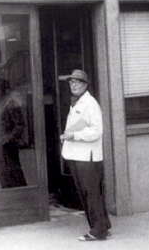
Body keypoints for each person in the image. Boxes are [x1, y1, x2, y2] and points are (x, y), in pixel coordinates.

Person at [59, 69, 112, 241]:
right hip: (77, 155)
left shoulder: (91, 104)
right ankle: (103, 226)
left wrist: (74, 135)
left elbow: (96, 132)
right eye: (71, 82)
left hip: (87, 157)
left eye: (77, 82)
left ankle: (97, 231)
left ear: (85, 85)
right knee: (90, 192)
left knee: (90, 193)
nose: (73, 85)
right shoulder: (77, 102)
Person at [0, 78, 27, 189]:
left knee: (14, 174)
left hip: (7, 146)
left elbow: (20, 124)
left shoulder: (10, 103)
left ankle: (22, 198)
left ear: (2, 89)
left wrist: (9, 139)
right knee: (2, 174)